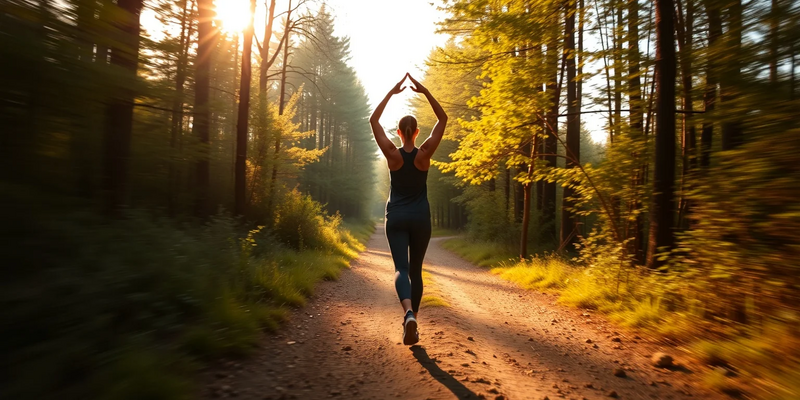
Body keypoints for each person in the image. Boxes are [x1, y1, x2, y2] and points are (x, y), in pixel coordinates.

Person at [369, 73, 448, 345]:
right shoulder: (424, 154)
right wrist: (425, 92)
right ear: (415, 133)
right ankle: (412, 320)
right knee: (416, 270)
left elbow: (373, 121)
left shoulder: (392, 155)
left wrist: (391, 93)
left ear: (399, 133)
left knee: (401, 269)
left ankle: (409, 314)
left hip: (397, 218)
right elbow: (443, 120)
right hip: (421, 219)